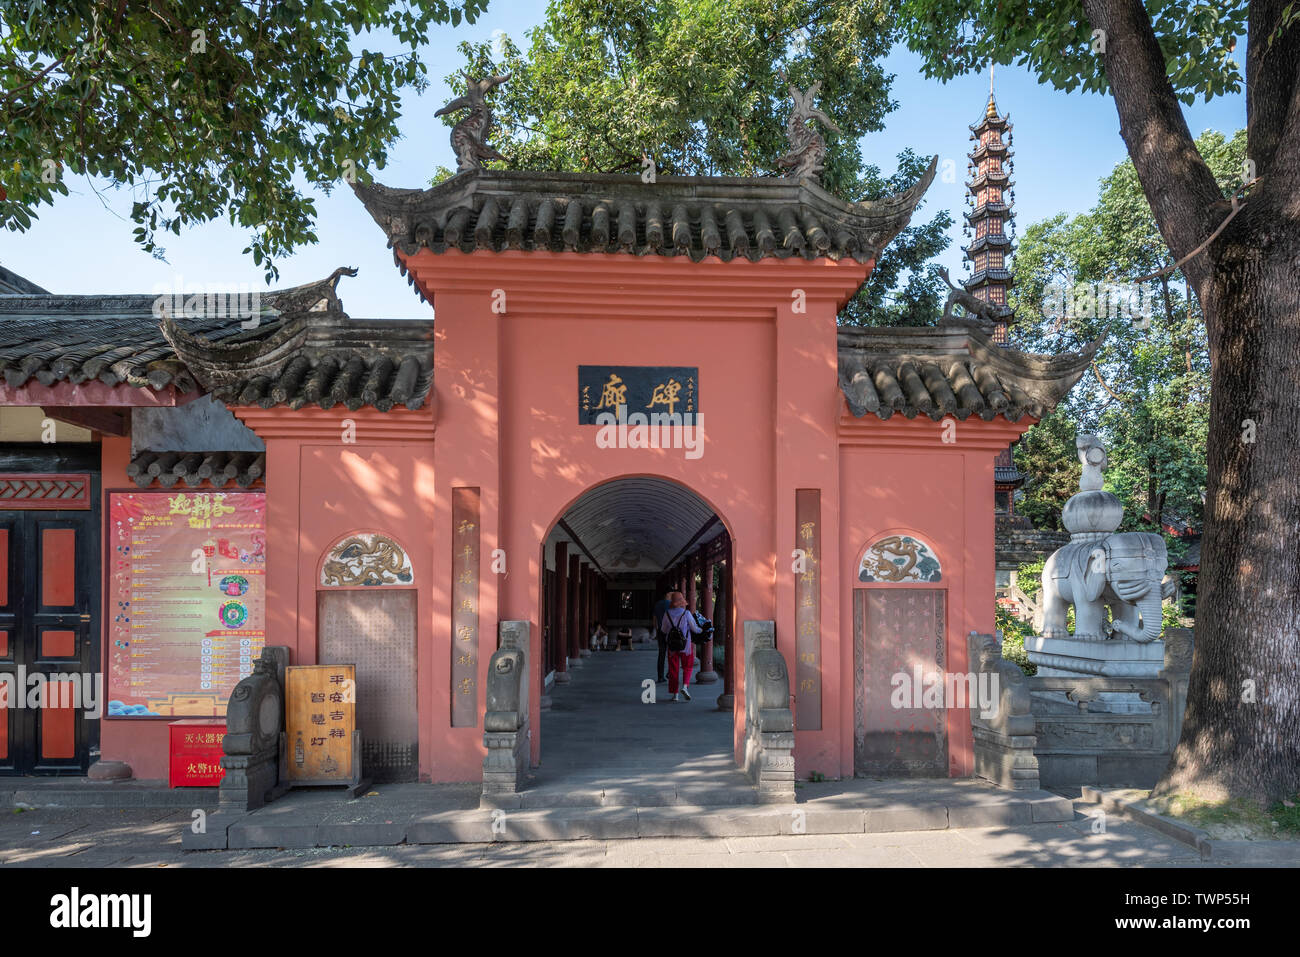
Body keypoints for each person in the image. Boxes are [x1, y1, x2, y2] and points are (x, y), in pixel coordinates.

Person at [660, 591, 702, 701]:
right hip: (686, 646)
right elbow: (694, 629)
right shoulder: (686, 614)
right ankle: (684, 687)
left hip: (672, 646)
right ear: (682, 602)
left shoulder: (667, 613)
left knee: (673, 669)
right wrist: (703, 629)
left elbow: (663, 630)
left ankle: (675, 695)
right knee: (687, 667)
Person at [651, 589, 674, 683]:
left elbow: (654, 620)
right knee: (671, 653)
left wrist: (657, 630)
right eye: (672, 593)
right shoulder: (671, 604)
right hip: (670, 631)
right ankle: (670, 673)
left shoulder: (657, 604)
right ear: (668, 593)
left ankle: (660, 677)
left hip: (661, 631)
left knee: (661, 654)